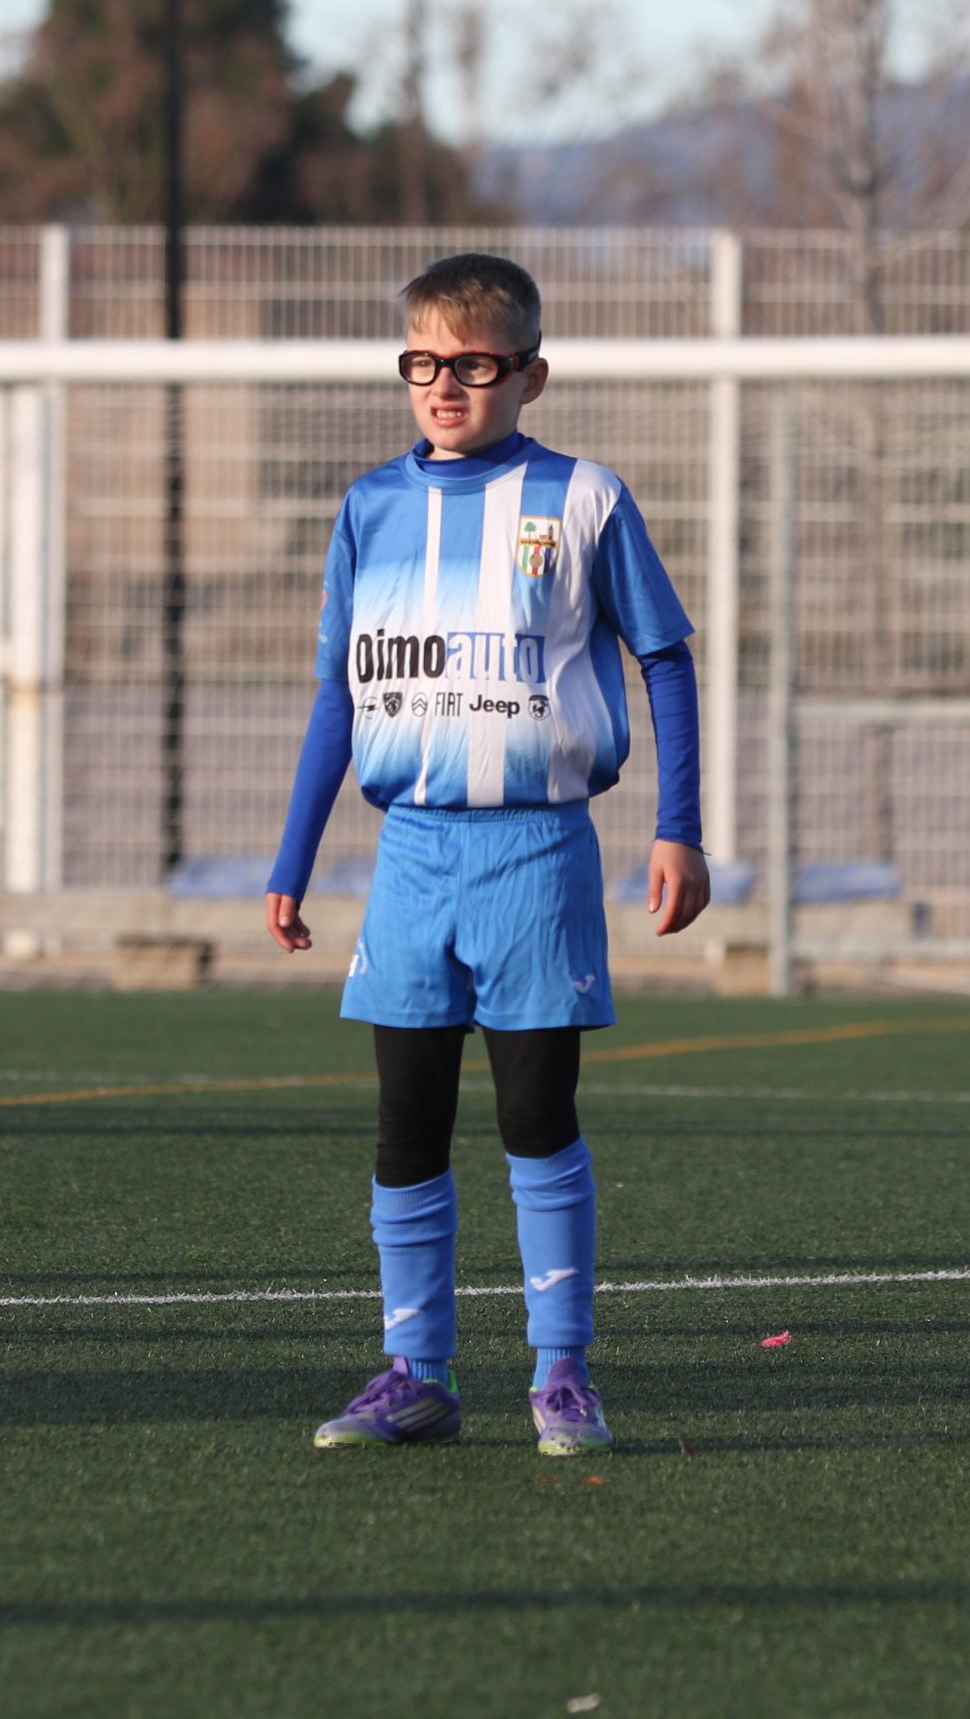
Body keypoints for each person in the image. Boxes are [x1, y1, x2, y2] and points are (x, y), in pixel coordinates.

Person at [266, 253, 709, 1454]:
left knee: (534, 1114)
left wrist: (678, 827)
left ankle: (562, 1374)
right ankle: (416, 1373)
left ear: (529, 375)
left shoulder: (584, 499)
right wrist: (293, 859)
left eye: (472, 365)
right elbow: (337, 695)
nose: (444, 386)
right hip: (410, 857)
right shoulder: (369, 507)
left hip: (536, 850)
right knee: (404, 1124)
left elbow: (664, 661)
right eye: (422, 364)